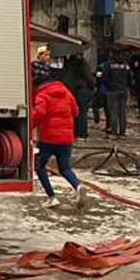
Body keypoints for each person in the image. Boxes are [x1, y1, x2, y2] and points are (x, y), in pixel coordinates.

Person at [31, 68, 85, 208]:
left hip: (48, 138)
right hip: (66, 138)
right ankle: (78, 187)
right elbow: (75, 112)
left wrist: (28, 127)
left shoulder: (41, 94)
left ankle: (52, 197)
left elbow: (39, 113)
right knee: (65, 168)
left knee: (39, 166)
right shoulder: (66, 93)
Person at [63, 53, 95, 140]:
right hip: (83, 90)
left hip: (71, 91)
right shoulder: (82, 65)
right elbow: (89, 79)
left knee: (73, 112)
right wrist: (92, 86)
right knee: (82, 112)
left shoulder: (67, 65)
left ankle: (74, 132)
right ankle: (82, 133)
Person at [104, 50, 132, 139]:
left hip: (112, 90)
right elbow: (130, 78)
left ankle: (114, 133)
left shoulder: (109, 64)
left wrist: (106, 85)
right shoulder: (126, 65)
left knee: (113, 112)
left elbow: (104, 77)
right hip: (123, 90)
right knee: (122, 112)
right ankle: (122, 133)